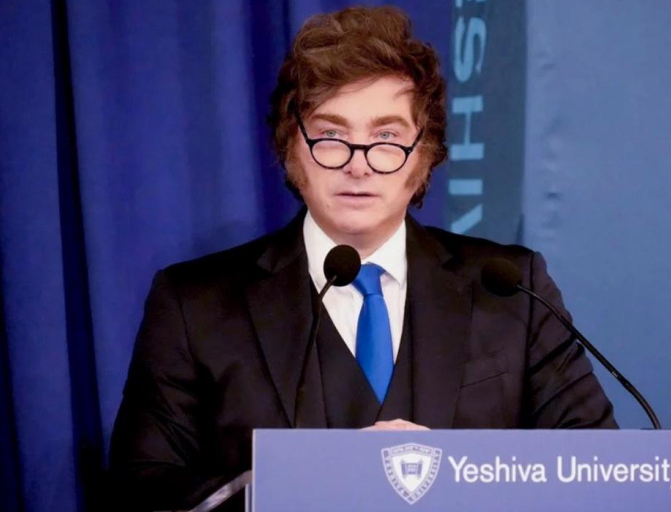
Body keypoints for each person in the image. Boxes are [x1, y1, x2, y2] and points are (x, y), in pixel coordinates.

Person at [108, 5, 617, 511]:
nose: (359, 165)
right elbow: (140, 490)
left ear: (424, 156)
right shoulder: (195, 305)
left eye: (386, 137)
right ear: (291, 148)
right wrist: (303, 485)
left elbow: (595, 471)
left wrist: (462, 478)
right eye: (332, 135)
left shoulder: (512, 289)